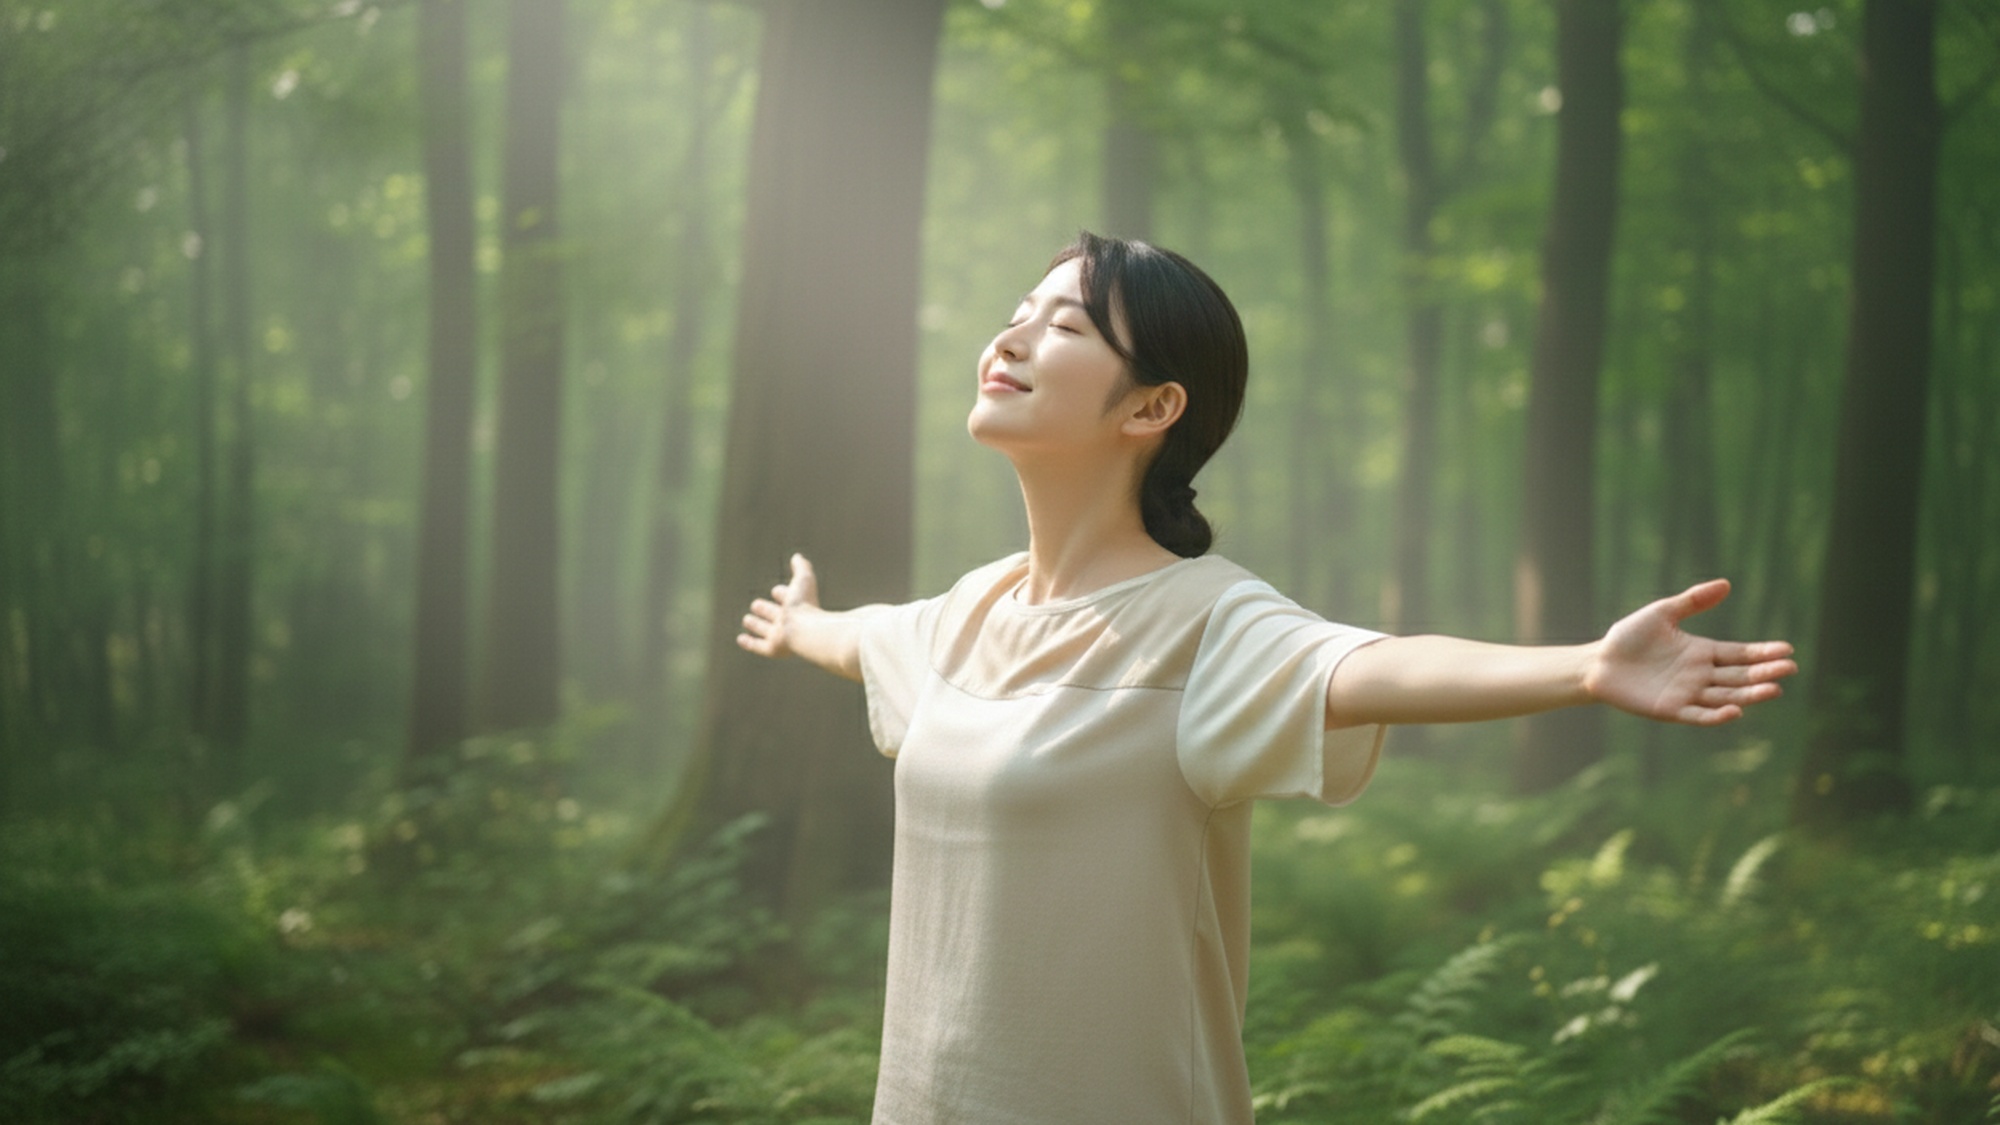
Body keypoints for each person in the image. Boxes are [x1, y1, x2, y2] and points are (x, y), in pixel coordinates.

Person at [735, 232, 1797, 1125]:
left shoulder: (1203, 624)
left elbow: (1373, 664)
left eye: (1061, 327)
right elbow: (867, 640)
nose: (1007, 339)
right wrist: (802, 624)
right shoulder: (966, 613)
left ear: (1150, 409)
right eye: (1018, 312)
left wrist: (1583, 668)